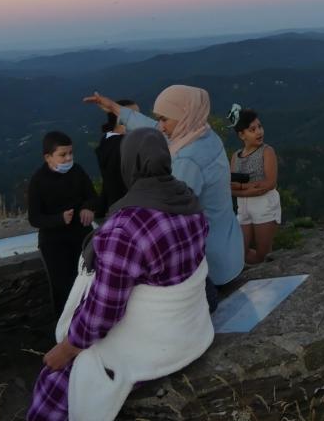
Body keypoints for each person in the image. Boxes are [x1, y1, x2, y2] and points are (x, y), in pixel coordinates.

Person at [27, 128, 213, 421]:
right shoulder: (189, 202)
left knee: (54, 381)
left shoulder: (124, 228)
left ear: (129, 165)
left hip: (148, 346)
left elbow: (104, 310)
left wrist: (66, 349)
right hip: (188, 331)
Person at [84, 85, 243, 310]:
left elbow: (170, 212)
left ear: (183, 116)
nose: (161, 125)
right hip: (228, 249)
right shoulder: (200, 132)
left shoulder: (188, 158)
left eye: (164, 119)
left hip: (211, 266)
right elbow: (154, 129)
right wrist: (115, 108)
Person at [27, 131, 99, 316]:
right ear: (48, 157)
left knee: (89, 282)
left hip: (82, 236)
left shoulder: (78, 171)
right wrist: (59, 219)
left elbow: (91, 196)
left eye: (70, 153)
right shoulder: (38, 181)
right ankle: (64, 331)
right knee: (63, 288)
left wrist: (88, 208)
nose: (68, 158)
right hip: (54, 243)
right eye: (62, 154)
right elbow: (34, 218)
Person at [227, 105, 280, 264]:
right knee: (240, 252)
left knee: (263, 254)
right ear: (241, 135)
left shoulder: (267, 151)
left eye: (260, 127)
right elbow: (231, 186)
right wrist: (251, 189)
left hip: (264, 205)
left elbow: (269, 184)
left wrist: (241, 188)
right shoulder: (236, 156)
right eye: (252, 129)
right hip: (243, 207)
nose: (259, 132)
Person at [93, 99, 139, 218]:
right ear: (120, 120)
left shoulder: (107, 142)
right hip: (130, 211)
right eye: (134, 116)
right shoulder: (123, 146)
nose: (139, 120)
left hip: (116, 208)